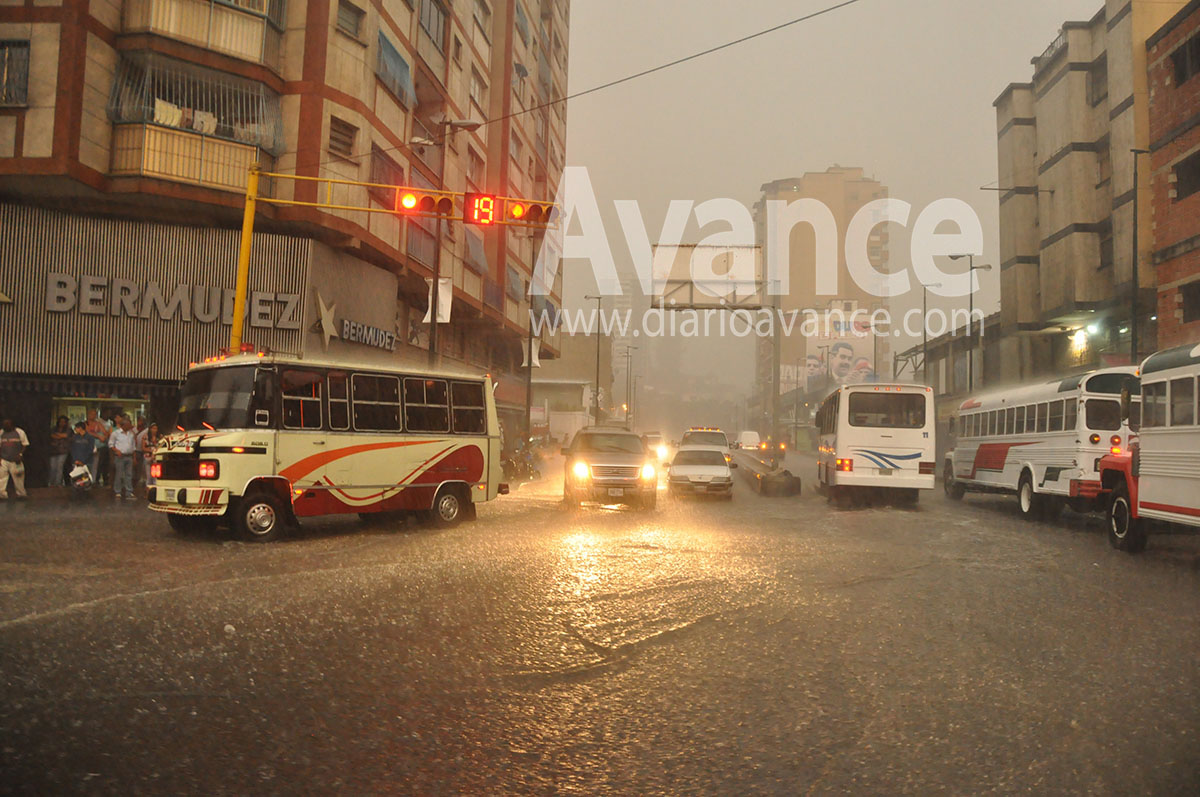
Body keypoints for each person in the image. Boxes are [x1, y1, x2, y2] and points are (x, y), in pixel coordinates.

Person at [0, 418, 30, 500]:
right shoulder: (1, 432)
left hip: (16, 460)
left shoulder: (20, 432)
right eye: (4, 424)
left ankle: (21, 495)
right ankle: (2, 495)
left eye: (7, 424)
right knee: (1, 478)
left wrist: (20, 454)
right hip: (4, 459)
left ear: (12, 424)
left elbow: (25, 444)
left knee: (19, 478)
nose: (5, 426)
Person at [109, 415, 137, 501]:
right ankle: (118, 491)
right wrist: (116, 451)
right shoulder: (115, 433)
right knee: (119, 474)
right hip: (120, 456)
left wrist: (134, 458)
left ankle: (129, 491)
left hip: (129, 456)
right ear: (123, 425)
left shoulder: (131, 434)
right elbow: (110, 444)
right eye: (128, 425)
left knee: (129, 474)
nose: (130, 426)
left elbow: (133, 447)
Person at [68, 422, 95, 497]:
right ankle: (77, 494)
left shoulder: (90, 437)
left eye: (76, 428)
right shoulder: (74, 437)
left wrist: (83, 461)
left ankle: (86, 494)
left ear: (80, 428)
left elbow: (90, 450)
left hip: (87, 462)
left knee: (85, 478)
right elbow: (72, 449)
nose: (75, 430)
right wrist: (75, 460)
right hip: (76, 461)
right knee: (76, 478)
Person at [85, 409, 111, 487]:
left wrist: (104, 437)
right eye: (92, 414)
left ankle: (93, 480)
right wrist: (98, 436)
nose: (93, 416)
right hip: (88, 446)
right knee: (87, 464)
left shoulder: (98, 423)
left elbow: (105, 432)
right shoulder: (85, 423)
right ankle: (86, 480)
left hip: (98, 446)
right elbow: (87, 432)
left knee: (96, 464)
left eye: (94, 414)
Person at [48, 415, 71, 487]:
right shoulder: (54, 428)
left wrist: (58, 435)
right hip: (53, 451)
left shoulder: (68, 429)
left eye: (64, 422)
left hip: (63, 450)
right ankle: (51, 483)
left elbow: (66, 435)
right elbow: (52, 435)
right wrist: (60, 436)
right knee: (52, 467)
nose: (62, 423)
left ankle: (58, 483)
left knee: (59, 467)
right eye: (61, 422)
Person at [140, 422, 159, 490]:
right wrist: (151, 451)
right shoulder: (145, 437)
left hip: (155, 458)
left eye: (156, 428)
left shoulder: (158, 437)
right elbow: (143, 448)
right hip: (147, 457)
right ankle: (148, 491)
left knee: (155, 476)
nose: (155, 430)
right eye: (153, 428)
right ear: (150, 429)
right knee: (148, 476)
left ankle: (155, 490)